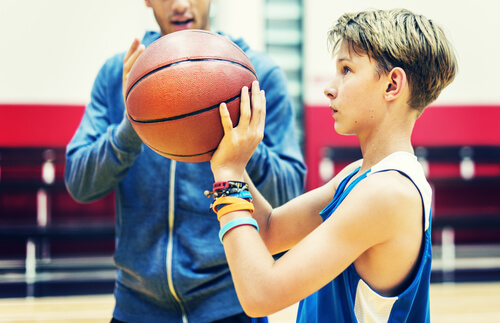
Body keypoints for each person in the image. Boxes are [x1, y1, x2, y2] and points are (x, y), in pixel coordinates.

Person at [207, 8, 457, 322]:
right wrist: (229, 159)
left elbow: (260, 295)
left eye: (346, 69)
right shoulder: (360, 174)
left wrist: (228, 178)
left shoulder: (388, 193)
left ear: (392, 85)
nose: (329, 87)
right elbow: (269, 231)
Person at [64, 0, 306, 322]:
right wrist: (130, 128)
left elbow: (290, 195)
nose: (180, 4)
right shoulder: (118, 75)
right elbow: (79, 184)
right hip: (137, 307)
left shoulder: (256, 75)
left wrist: (242, 143)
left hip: (232, 306)